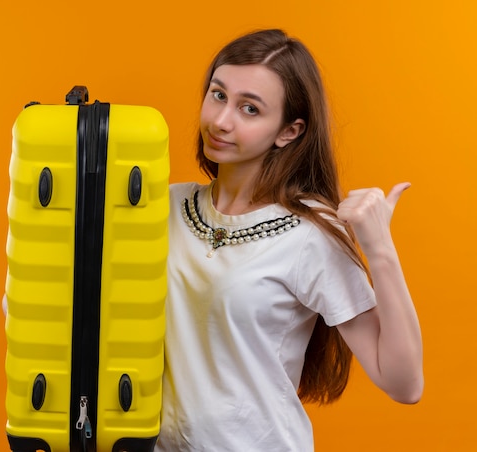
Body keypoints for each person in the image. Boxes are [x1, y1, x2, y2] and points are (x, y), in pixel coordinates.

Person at [154, 29, 423, 451]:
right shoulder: (166, 206)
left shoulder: (309, 234)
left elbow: (404, 383)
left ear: (289, 131)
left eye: (250, 108)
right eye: (218, 95)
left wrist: (380, 249)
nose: (221, 121)